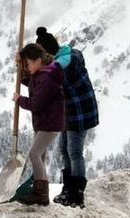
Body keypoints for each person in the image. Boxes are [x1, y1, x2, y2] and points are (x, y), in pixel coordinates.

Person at [35, 27, 99, 208]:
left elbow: (43, 82)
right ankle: (68, 189)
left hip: (79, 112)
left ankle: (76, 194)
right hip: (69, 112)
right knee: (64, 150)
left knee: (74, 152)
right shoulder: (66, 57)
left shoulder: (61, 66)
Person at [12, 43, 65, 206]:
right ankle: (38, 190)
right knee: (39, 155)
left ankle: (41, 192)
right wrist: (19, 65)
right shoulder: (43, 72)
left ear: (38, 60)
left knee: (35, 154)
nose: (27, 68)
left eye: (27, 64)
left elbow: (36, 104)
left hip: (49, 123)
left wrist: (20, 100)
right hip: (45, 121)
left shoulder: (47, 77)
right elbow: (31, 81)